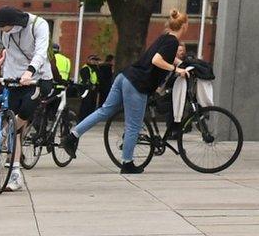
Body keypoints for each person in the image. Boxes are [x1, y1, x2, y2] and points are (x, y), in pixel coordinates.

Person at [66, 9, 195, 174]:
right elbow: (157, 60)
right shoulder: (172, 42)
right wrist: (176, 70)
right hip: (137, 84)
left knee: (104, 110)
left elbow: (167, 57)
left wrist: (183, 66)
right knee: (134, 125)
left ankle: (73, 135)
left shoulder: (165, 37)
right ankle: (127, 163)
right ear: (184, 26)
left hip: (125, 77)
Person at [0, 5, 53, 187]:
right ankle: (15, 172)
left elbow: (41, 51)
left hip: (36, 78)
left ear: (16, 23)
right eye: (2, 29)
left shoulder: (38, 24)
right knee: (16, 130)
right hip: (12, 77)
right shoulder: (0, 28)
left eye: (7, 29)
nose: (4, 32)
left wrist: (30, 72)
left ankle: (1, 135)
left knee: (25, 112)